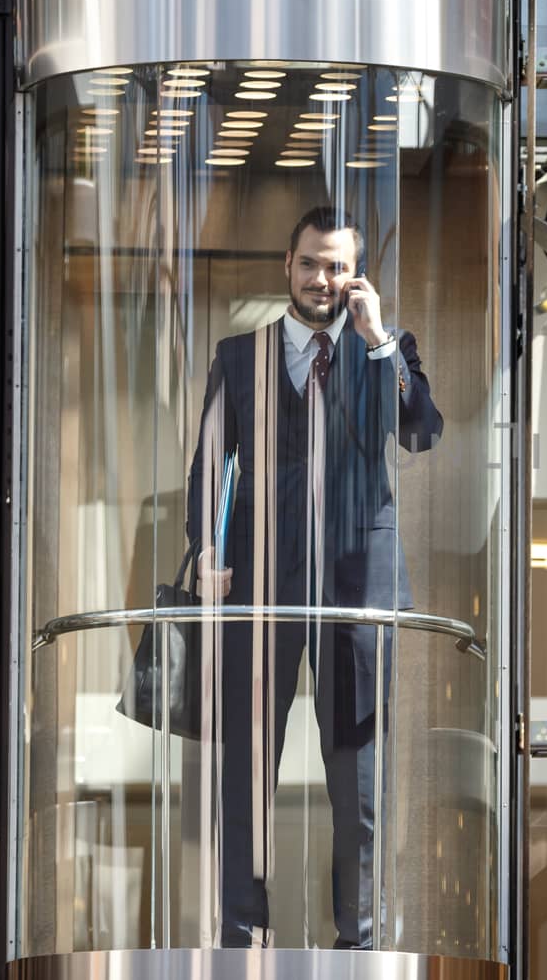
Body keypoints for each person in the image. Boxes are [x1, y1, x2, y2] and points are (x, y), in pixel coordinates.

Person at [184, 204, 442, 949]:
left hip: (358, 596)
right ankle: (242, 933)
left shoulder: (383, 350)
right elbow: (209, 470)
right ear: (286, 267)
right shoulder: (240, 357)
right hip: (259, 592)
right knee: (246, 773)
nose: (322, 278)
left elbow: (422, 430)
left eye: (337, 266)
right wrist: (207, 550)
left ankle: (357, 939)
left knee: (356, 783)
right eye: (310, 263)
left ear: (354, 276)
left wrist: (379, 339)